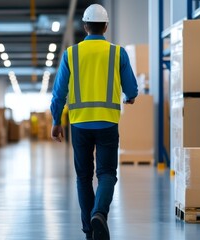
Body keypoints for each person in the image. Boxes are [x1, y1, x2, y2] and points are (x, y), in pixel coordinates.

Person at [50, 4, 138, 240]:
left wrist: (56, 120)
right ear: (106, 26)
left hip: (79, 125)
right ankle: (99, 213)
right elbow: (131, 88)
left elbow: (58, 93)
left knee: (83, 177)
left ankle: (89, 230)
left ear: (85, 26)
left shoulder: (71, 54)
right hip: (108, 123)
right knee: (107, 173)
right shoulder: (118, 53)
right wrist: (130, 97)